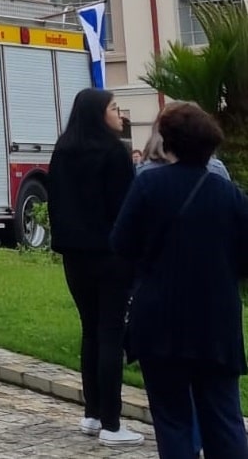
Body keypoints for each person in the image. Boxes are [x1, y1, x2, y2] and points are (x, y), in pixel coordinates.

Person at [112, 103, 248, 458]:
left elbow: (121, 244)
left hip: (161, 320)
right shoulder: (230, 195)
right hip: (216, 322)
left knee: (172, 420)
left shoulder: (148, 186)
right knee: (224, 417)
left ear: (167, 141)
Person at [47, 88, 143, 447]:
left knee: (90, 330)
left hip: (75, 256)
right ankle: (113, 423)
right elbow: (126, 209)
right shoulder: (114, 154)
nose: (121, 115)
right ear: (99, 114)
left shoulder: (63, 150)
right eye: (115, 109)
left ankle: (93, 412)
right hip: (110, 255)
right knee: (111, 334)